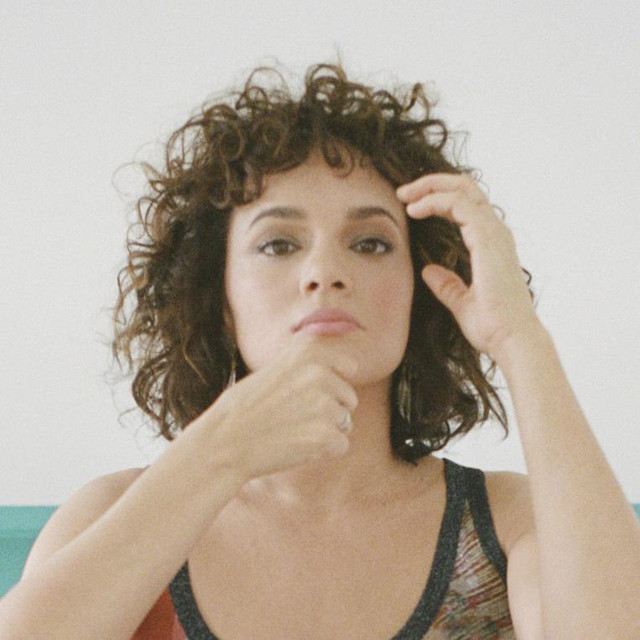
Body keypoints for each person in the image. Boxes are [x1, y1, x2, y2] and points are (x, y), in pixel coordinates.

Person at [1, 61, 638, 640]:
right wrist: (219, 449)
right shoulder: (110, 516)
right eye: (279, 244)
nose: (325, 272)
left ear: (421, 288)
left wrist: (520, 340)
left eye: (370, 244)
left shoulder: (510, 524)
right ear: (218, 295)